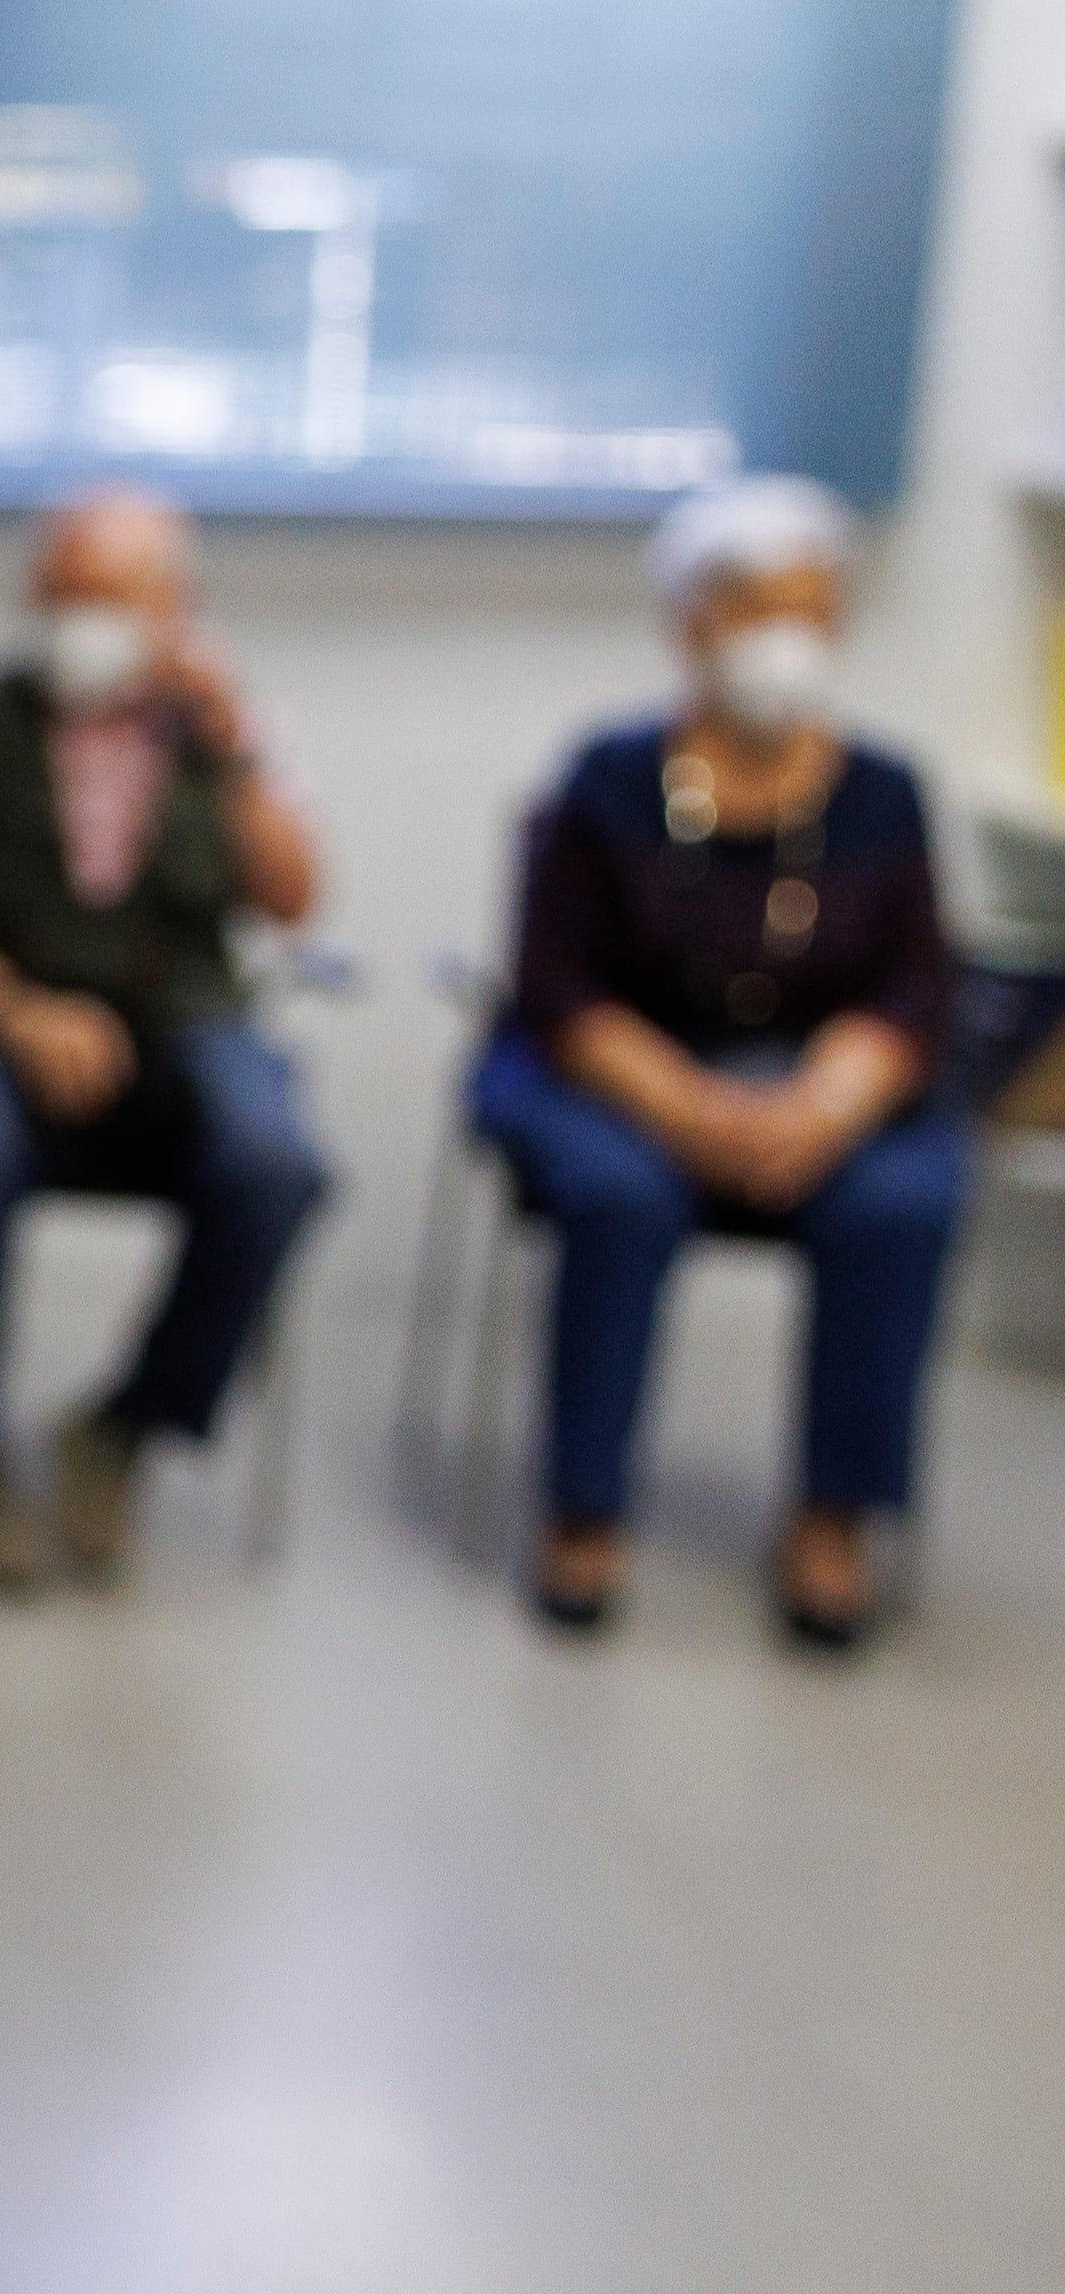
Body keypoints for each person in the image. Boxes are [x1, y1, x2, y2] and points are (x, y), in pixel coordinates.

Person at [469, 476, 959, 1650]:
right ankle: (581, 1512)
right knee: (616, 1194)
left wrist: (827, 1102)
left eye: (810, 609)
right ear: (690, 622)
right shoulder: (607, 778)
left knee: (900, 1202)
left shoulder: (881, 795)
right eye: (756, 610)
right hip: (615, 1075)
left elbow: (914, 989)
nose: (785, 640)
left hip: (817, 1086)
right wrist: (691, 1110)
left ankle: (832, 1519)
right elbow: (555, 991)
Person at [0, 485, 331, 1594]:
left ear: (177, 608)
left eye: (112, 597)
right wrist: (13, 1010)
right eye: (61, 591)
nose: (81, 618)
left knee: (274, 1162)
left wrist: (232, 753)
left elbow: (293, 900)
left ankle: (126, 1425)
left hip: (173, 1024)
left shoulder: (221, 735)